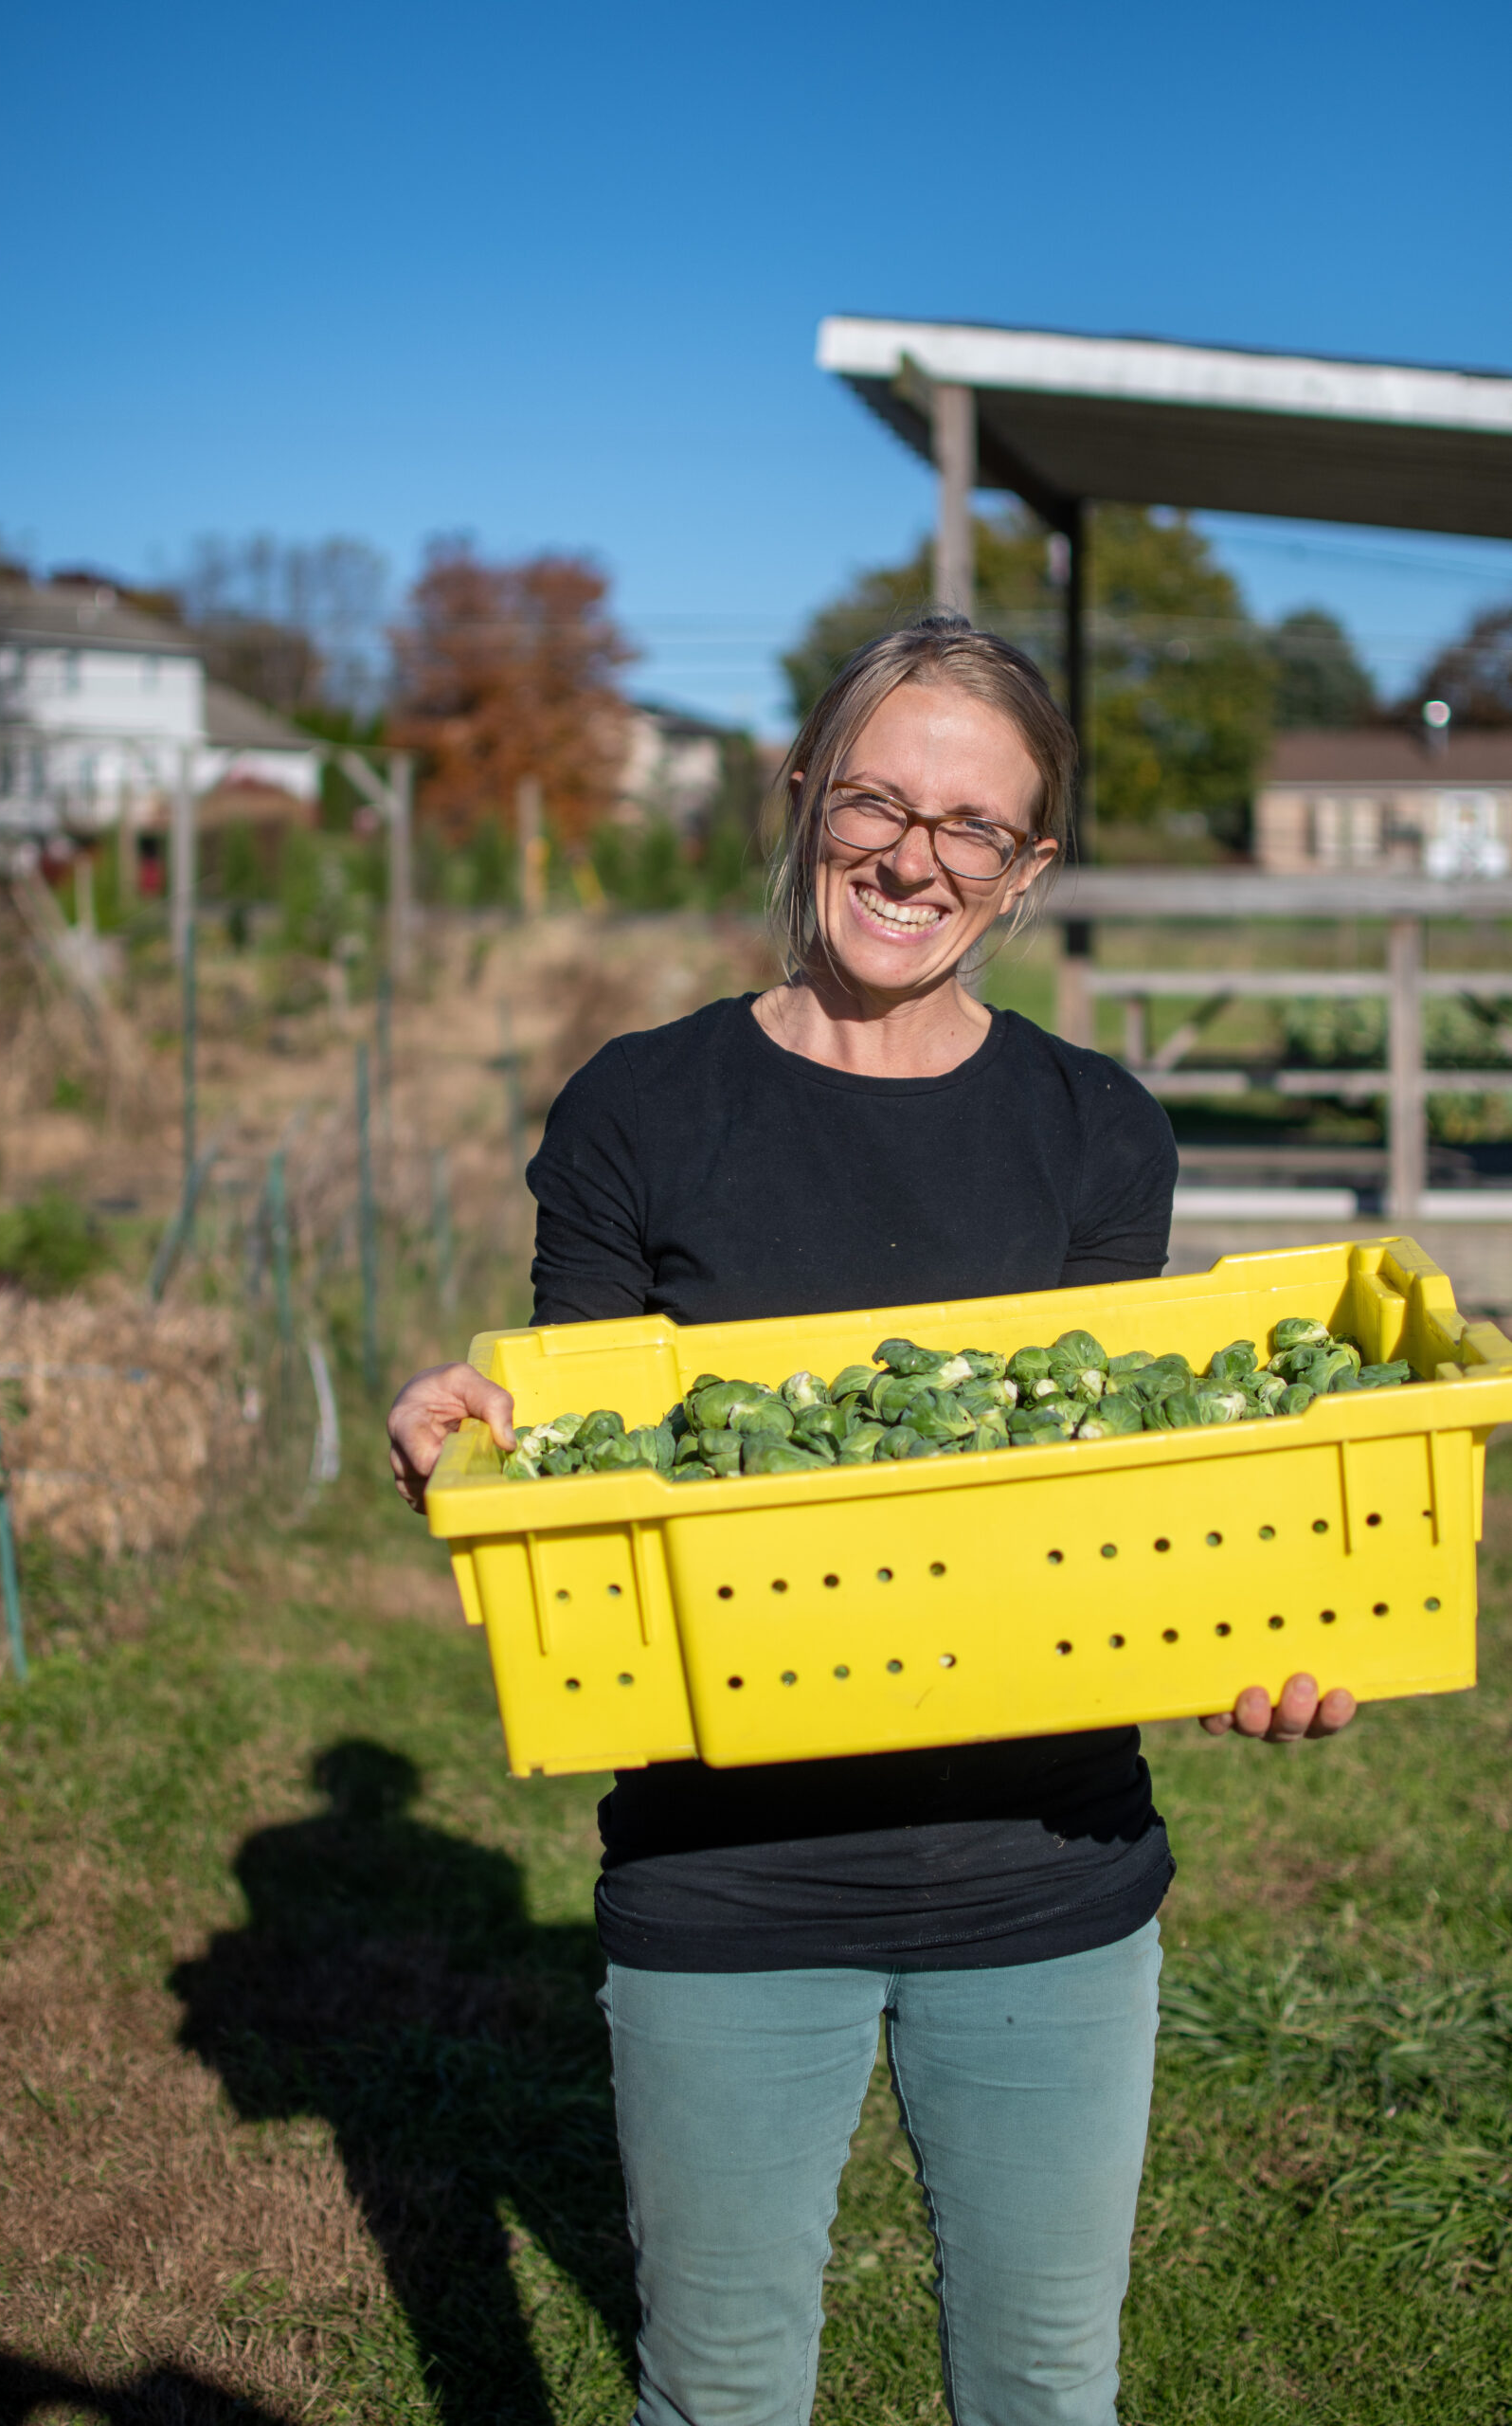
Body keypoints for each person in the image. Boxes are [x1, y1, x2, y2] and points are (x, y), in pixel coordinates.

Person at [387, 617, 1355, 2426]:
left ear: (1029, 869)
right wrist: (461, 1443)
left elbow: (1098, 1507)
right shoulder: (640, 1110)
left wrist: (1257, 1637)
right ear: (804, 798)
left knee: (1046, 2387)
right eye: (878, 801)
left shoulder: (1095, 1132)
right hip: (724, 1867)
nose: (916, 857)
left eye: (974, 827)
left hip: (1046, 1864)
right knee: (725, 2393)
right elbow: (580, 1464)